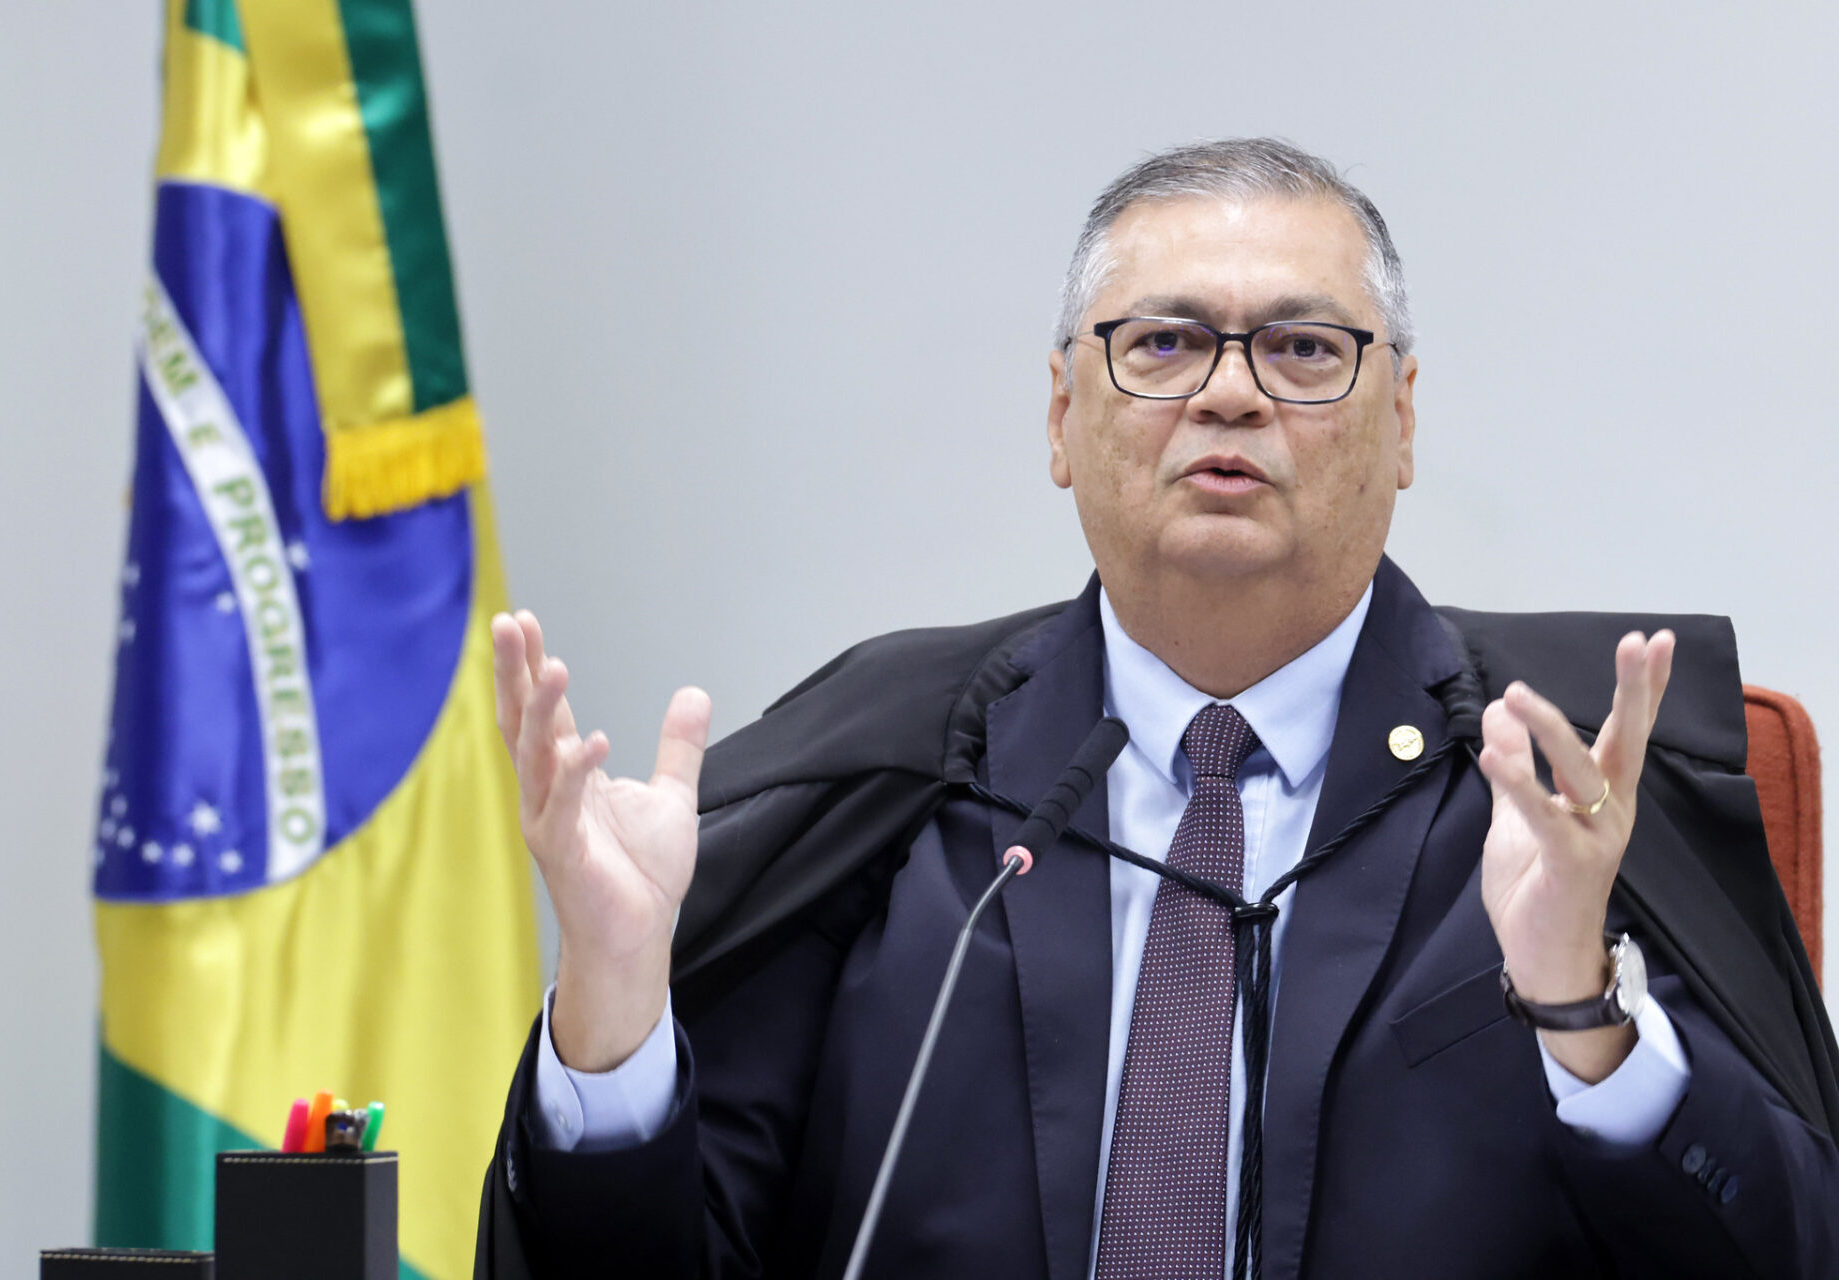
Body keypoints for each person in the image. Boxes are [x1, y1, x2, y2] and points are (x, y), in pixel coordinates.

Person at [472, 139, 1839, 1279]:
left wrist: (1582, 1012)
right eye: (1166, 343)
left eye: (1304, 348)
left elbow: (1791, 1248)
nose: (1231, 392)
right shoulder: (881, 785)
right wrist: (615, 1012)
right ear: (1061, 417)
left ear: (1404, 422)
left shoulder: (1559, 791)